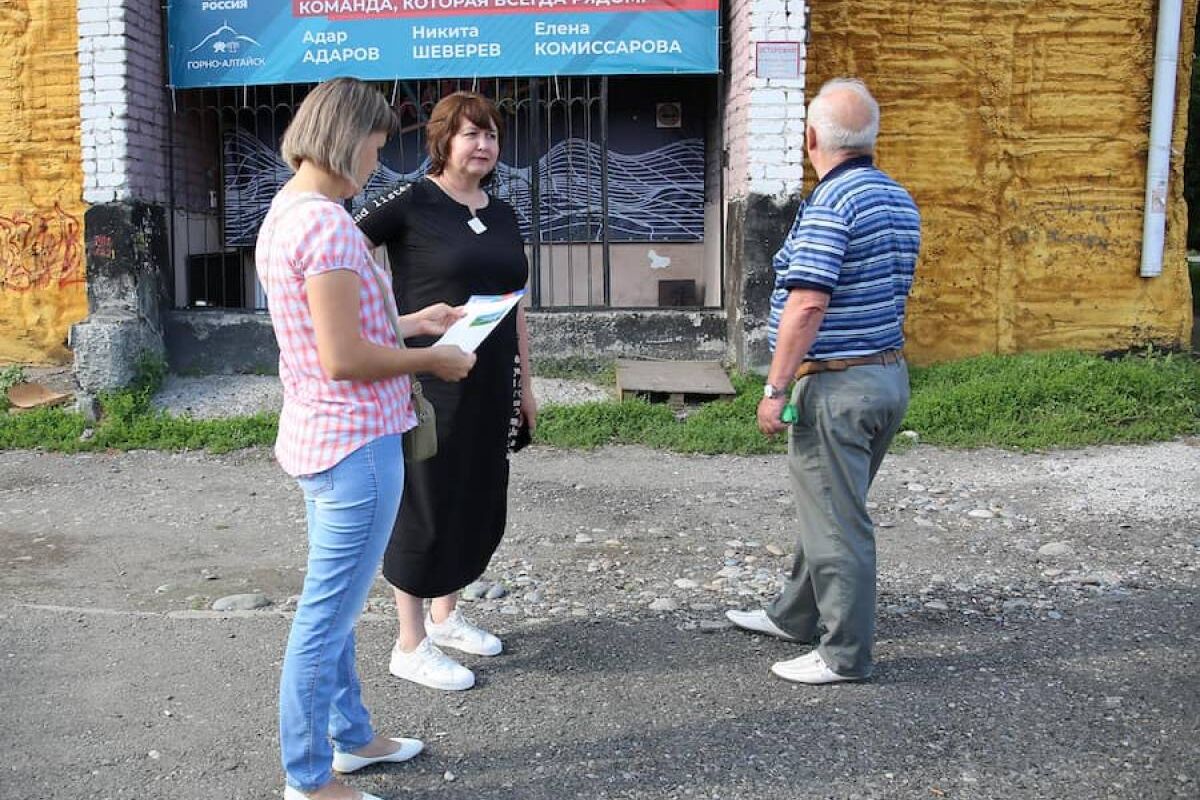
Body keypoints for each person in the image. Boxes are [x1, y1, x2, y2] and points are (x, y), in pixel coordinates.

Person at [257, 77, 476, 800]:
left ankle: (351, 738)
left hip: (322, 436)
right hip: (356, 443)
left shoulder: (291, 210)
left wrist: (415, 322)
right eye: (377, 147)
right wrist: (431, 359)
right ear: (347, 135)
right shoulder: (322, 224)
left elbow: (335, 330)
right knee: (326, 618)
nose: (378, 165)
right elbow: (344, 358)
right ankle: (308, 779)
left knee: (341, 601)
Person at [726, 78, 921, 685]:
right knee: (831, 508)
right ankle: (794, 614)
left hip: (837, 386)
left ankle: (844, 653)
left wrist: (775, 389)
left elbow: (807, 304)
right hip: (885, 377)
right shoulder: (896, 197)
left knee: (838, 523)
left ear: (811, 137)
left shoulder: (833, 204)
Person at [355, 91, 536, 692]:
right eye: (470, 135)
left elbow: (515, 309)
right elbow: (343, 258)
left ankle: (446, 615)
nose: (484, 146)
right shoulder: (410, 202)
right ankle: (409, 644)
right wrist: (388, 319)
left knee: (475, 495)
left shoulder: (502, 212)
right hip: (429, 380)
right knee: (426, 502)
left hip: (491, 380)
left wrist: (524, 387)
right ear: (443, 142)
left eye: (491, 135)